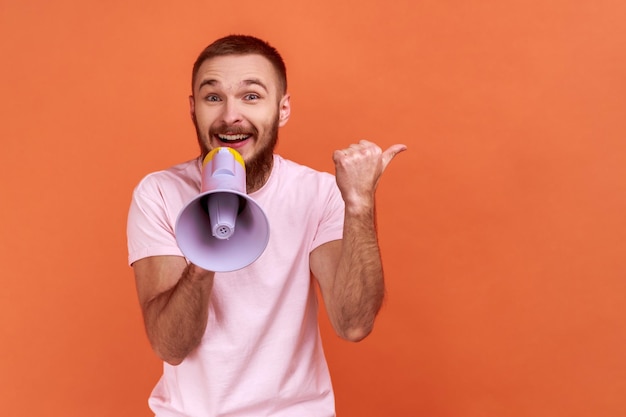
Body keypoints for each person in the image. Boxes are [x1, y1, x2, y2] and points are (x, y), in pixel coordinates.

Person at [127, 34, 406, 417]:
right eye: (213, 97)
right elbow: (170, 346)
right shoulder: (159, 193)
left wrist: (358, 205)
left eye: (251, 96)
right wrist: (209, 245)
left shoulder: (318, 192)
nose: (230, 116)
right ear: (193, 109)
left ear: (283, 108)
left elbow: (353, 325)